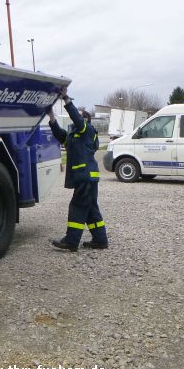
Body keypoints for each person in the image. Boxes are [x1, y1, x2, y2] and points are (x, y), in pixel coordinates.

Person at [47, 89, 108, 251]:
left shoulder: (87, 131)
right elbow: (61, 135)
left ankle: (71, 242)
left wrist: (66, 99)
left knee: (77, 207)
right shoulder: (75, 136)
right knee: (90, 209)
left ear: (86, 120)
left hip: (85, 177)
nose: (76, 117)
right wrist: (51, 117)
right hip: (87, 178)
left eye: (79, 115)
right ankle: (100, 240)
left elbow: (77, 119)